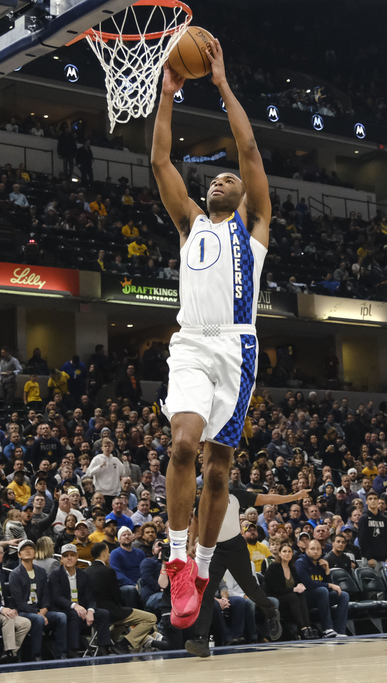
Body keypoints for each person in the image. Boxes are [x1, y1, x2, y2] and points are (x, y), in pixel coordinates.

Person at [153, 37, 273, 630]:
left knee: (220, 469)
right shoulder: (190, 224)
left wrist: (222, 83)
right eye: (216, 177)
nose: (222, 179)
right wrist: (167, 95)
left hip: (238, 345)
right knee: (183, 444)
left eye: (230, 178)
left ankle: (202, 568)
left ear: (245, 194)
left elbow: (248, 147)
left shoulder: (254, 225)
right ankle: (179, 560)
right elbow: (160, 163)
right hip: (192, 342)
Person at [184, 488, 298, 657]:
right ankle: (201, 640)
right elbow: (195, 520)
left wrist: (294, 496)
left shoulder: (236, 495)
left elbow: (267, 498)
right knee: (206, 592)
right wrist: (191, 543)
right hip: (214, 548)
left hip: (235, 548)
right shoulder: (203, 499)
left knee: (250, 588)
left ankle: (271, 611)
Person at [87, 542, 158, 652]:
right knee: (151, 618)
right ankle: (124, 644)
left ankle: (109, 645)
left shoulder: (86, 571)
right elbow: (117, 595)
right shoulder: (108, 571)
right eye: (108, 552)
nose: (109, 555)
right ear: (103, 554)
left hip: (94, 612)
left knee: (121, 623)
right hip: (111, 612)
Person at [48, 544, 116, 656]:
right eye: (66, 556)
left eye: (72, 555)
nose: (69, 558)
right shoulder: (55, 575)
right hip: (64, 609)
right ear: (61, 559)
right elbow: (57, 597)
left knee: (104, 613)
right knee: (74, 614)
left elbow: (90, 597)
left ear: (77, 557)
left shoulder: (84, 575)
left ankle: (103, 648)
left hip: (82, 609)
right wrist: (75, 606)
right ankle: (73, 650)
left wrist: (90, 610)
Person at [9, 539, 67, 660]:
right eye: (24, 549)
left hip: (40, 610)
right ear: (19, 554)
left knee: (61, 617)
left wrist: (44, 610)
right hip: (23, 612)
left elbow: (46, 594)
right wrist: (38, 613)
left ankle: (61, 653)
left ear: (35, 553)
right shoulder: (15, 574)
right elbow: (18, 601)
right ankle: (36, 655)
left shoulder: (41, 571)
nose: (28, 551)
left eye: (30, 548)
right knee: (38, 619)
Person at [294, 540, 349, 638]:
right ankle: (327, 629)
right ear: (307, 550)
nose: (315, 551)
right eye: (312, 549)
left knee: (343, 595)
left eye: (318, 549)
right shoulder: (300, 562)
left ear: (321, 551)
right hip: (305, 597)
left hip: (321, 596)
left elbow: (328, 588)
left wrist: (327, 571)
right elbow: (309, 585)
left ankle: (340, 631)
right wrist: (330, 585)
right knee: (322, 590)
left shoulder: (321, 563)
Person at [264, 543, 313, 640]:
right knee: (293, 596)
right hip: (274, 597)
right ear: (279, 553)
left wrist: (301, 586)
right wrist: (294, 589)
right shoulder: (273, 568)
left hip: (288, 596)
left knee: (301, 595)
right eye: (284, 551)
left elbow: (297, 583)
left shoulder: (292, 568)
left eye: (289, 551)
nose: (287, 553)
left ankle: (308, 627)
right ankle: (302, 628)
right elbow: (276, 589)